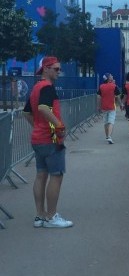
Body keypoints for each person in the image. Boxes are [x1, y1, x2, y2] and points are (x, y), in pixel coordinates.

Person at [23, 56, 73, 228]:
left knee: (40, 175)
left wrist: (38, 126)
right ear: (46, 69)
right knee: (56, 176)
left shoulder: (36, 88)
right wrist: (58, 125)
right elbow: (44, 108)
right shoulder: (48, 87)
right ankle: (51, 217)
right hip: (51, 139)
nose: (59, 72)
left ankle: (40, 216)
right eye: (56, 69)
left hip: (38, 138)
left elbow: (27, 113)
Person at [97, 73, 121, 144]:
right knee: (111, 122)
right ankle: (109, 136)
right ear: (108, 78)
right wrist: (121, 104)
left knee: (105, 122)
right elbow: (118, 96)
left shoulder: (101, 86)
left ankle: (107, 136)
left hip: (104, 107)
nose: (112, 76)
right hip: (111, 107)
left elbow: (98, 97)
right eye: (111, 76)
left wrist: (98, 106)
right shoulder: (114, 86)